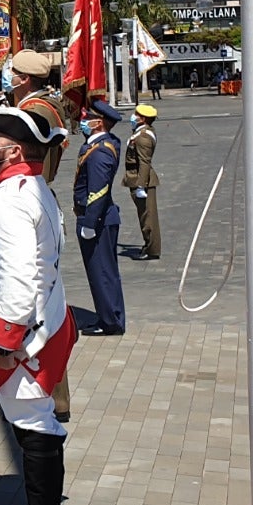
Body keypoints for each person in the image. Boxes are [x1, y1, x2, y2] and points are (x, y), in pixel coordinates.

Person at [0, 106, 76, 505]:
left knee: (35, 424)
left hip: (25, 335)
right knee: (36, 422)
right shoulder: (32, 186)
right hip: (45, 322)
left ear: (12, 149)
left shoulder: (11, 198)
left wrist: (8, 342)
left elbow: (18, 277)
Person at [74, 100, 126, 335]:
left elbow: (99, 189)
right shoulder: (102, 144)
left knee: (102, 273)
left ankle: (110, 322)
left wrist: (89, 222)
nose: (83, 121)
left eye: (87, 118)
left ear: (99, 122)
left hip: (98, 220)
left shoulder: (101, 151)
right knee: (103, 271)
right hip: (101, 218)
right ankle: (109, 316)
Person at [7, 49, 75, 183]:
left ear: (24, 79)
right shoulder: (43, 104)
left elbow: (34, 160)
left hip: (30, 186)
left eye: (12, 72)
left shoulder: (34, 112)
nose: (9, 75)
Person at [123, 104, 162, 260]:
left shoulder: (144, 137)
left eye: (136, 115)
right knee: (144, 216)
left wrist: (140, 185)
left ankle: (151, 249)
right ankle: (149, 245)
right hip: (137, 178)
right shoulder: (141, 133)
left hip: (142, 180)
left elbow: (144, 163)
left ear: (143, 118)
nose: (133, 117)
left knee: (148, 217)